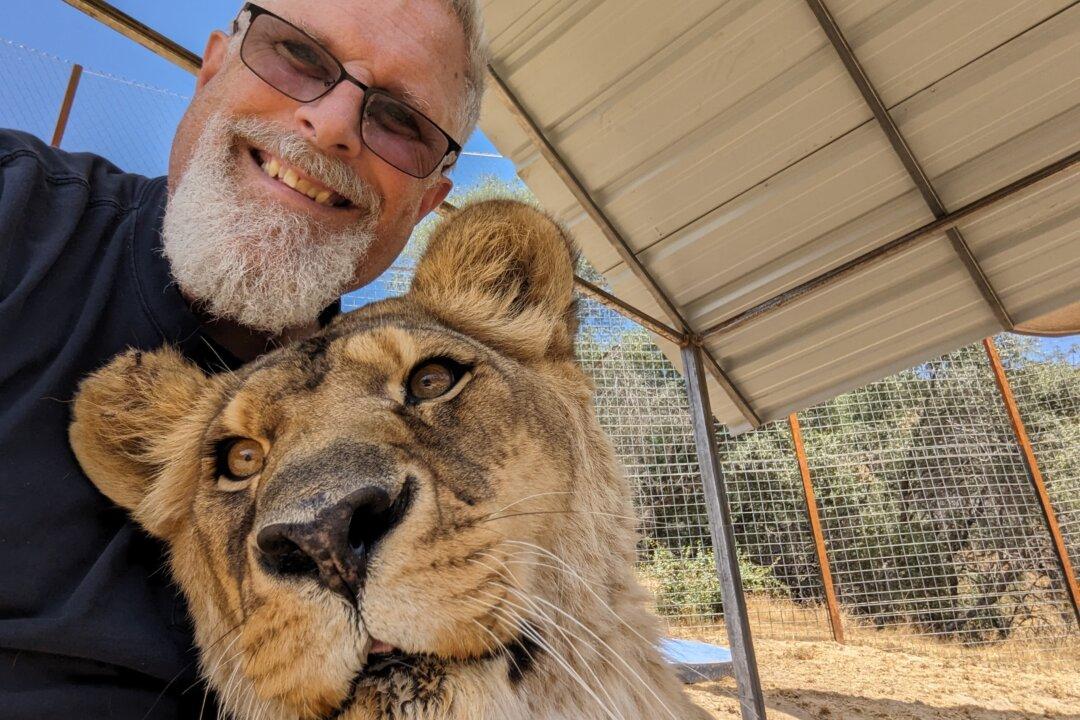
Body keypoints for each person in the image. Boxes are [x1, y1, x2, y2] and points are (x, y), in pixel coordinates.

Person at [0, 1, 488, 716]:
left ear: (424, 206)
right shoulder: (17, 211)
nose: (330, 125)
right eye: (299, 55)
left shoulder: (422, 422)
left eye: (401, 121)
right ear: (211, 69)